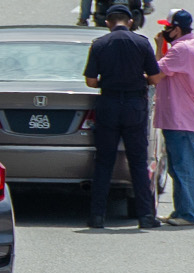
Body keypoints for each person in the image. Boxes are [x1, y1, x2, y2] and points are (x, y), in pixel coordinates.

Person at [83, 4, 163, 230]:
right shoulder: (141, 43)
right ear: (129, 21)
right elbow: (155, 77)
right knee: (138, 163)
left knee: (104, 162)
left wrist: (106, 82)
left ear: (108, 23)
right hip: (134, 106)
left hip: (108, 104)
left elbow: (90, 81)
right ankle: (145, 216)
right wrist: (139, 80)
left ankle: (97, 217)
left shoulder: (99, 44)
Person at [153, 9, 194, 226]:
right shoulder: (184, 48)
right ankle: (181, 210)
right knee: (177, 167)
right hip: (179, 117)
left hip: (181, 118)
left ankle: (189, 214)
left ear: (177, 29)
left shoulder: (181, 50)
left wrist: (157, 46)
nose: (164, 31)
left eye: (168, 27)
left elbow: (154, 74)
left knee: (184, 167)